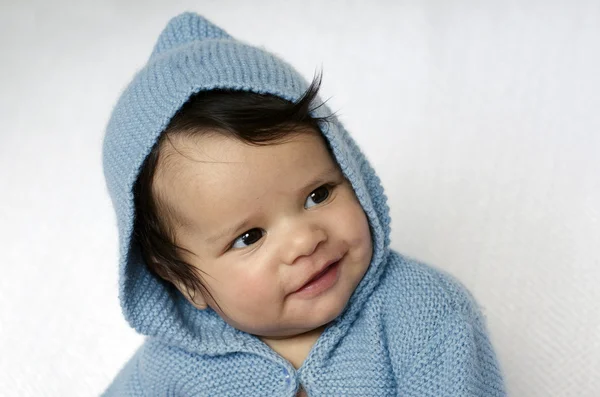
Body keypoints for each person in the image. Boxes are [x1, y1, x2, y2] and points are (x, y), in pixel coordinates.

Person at [102, 12, 507, 396]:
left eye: (319, 195)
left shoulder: (422, 313)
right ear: (187, 282)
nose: (305, 240)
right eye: (249, 237)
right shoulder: (170, 368)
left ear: (349, 168)